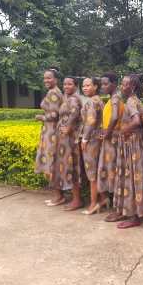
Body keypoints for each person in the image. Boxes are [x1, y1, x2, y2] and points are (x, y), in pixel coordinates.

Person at [110, 74, 143, 228]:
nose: (121, 87)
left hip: (131, 144)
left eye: (125, 84)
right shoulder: (135, 100)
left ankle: (134, 216)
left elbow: (137, 121)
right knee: (130, 177)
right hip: (133, 143)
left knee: (131, 178)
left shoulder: (131, 101)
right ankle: (126, 211)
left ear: (132, 87)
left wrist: (123, 130)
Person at [53, 76, 83, 210]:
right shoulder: (67, 98)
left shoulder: (74, 99)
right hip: (64, 139)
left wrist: (69, 127)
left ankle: (77, 200)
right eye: (64, 84)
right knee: (67, 167)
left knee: (73, 167)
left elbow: (74, 114)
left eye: (69, 84)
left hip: (70, 139)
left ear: (76, 86)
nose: (66, 86)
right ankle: (71, 198)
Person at [97, 72, 125, 220]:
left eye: (106, 83)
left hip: (113, 141)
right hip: (111, 140)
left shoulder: (115, 99)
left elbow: (114, 117)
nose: (103, 86)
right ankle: (112, 204)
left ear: (114, 83)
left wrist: (107, 132)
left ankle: (118, 209)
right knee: (110, 172)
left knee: (114, 173)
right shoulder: (113, 98)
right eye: (102, 84)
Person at [80, 77, 109, 214]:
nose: (85, 88)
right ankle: (103, 198)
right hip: (99, 139)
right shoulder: (100, 100)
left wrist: (84, 139)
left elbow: (90, 121)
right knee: (97, 170)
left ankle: (94, 203)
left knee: (91, 173)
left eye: (88, 85)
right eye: (83, 86)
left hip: (91, 140)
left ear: (96, 86)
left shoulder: (92, 102)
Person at [34, 67, 63, 204]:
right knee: (51, 163)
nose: (46, 80)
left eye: (49, 78)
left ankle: (58, 196)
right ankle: (57, 195)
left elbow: (55, 114)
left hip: (52, 132)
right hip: (49, 131)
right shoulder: (53, 92)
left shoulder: (54, 93)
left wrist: (42, 117)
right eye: (45, 78)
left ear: (56, 79)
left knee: (51, 164)